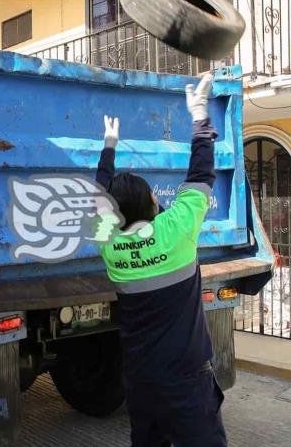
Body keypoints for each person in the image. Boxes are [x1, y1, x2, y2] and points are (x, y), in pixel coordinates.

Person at [96, 73, 227, 447]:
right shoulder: (176, 229)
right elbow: (200, 171)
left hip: (140, 378)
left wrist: (108, 147)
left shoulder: (110, 244)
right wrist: (199, 114)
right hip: (185, 379)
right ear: (153, 204)